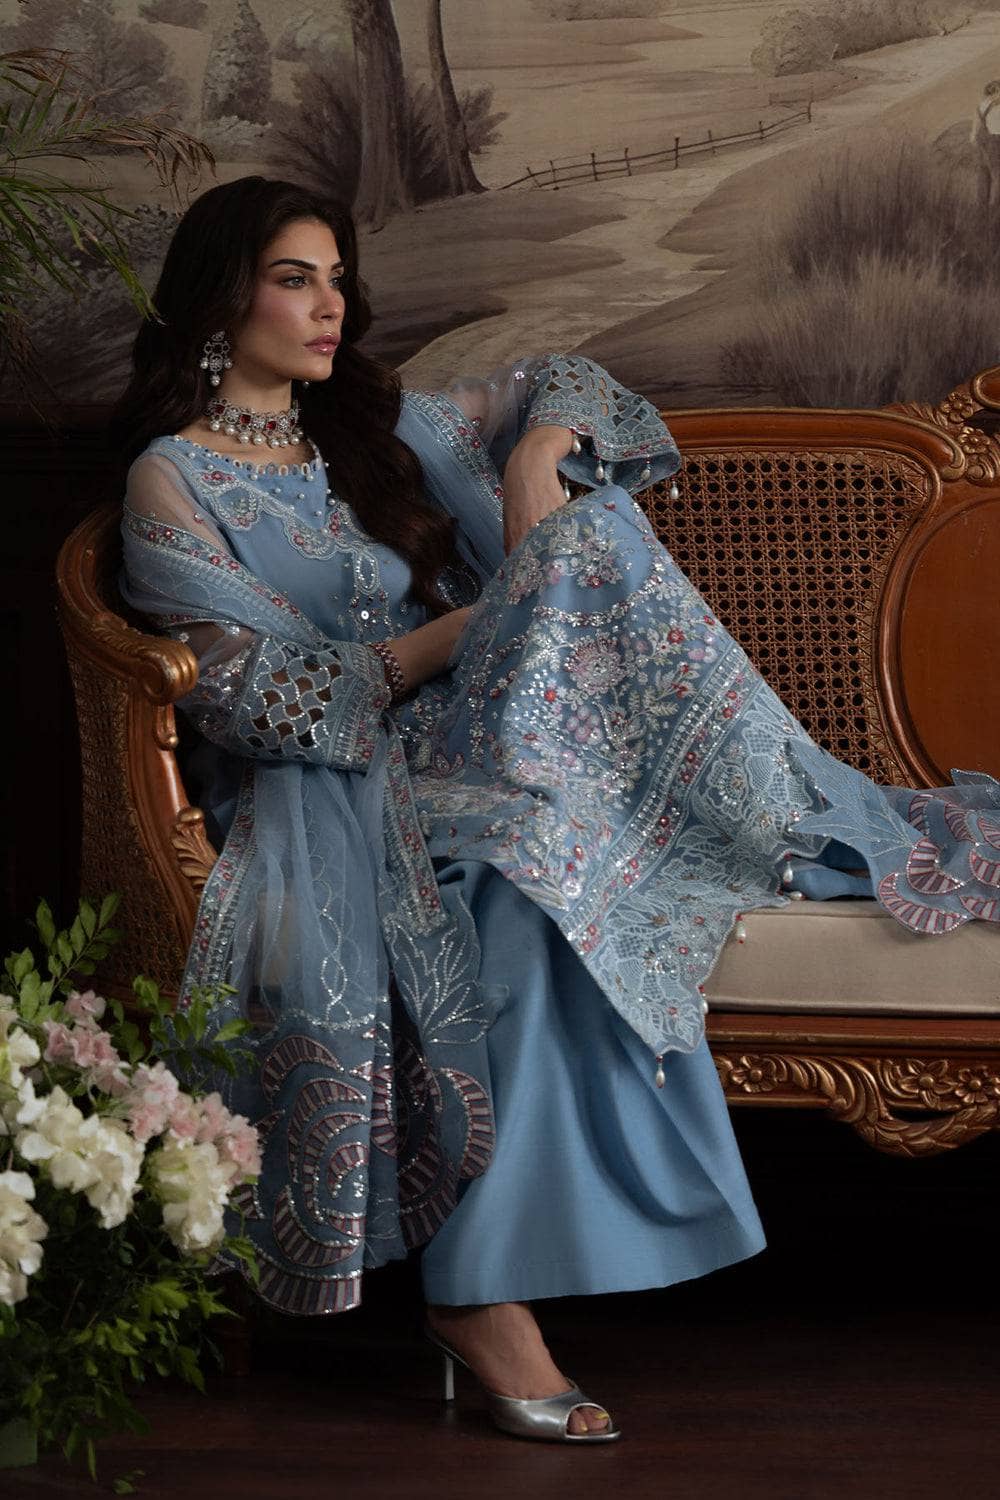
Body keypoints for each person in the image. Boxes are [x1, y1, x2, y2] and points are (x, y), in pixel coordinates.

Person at [113, 177, 999, 1444]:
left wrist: (532, 456)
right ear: (219, 298)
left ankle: (723, 811)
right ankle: (486, 1302)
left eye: (337, 278)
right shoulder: (171, 485)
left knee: (585, 557)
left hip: (521, 745)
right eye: (293, 278)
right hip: (348, 778)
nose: (329, 306)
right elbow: (260, 701)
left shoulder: (384, 429)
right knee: (542, 786)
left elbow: (576, 386)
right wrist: (477, 626)